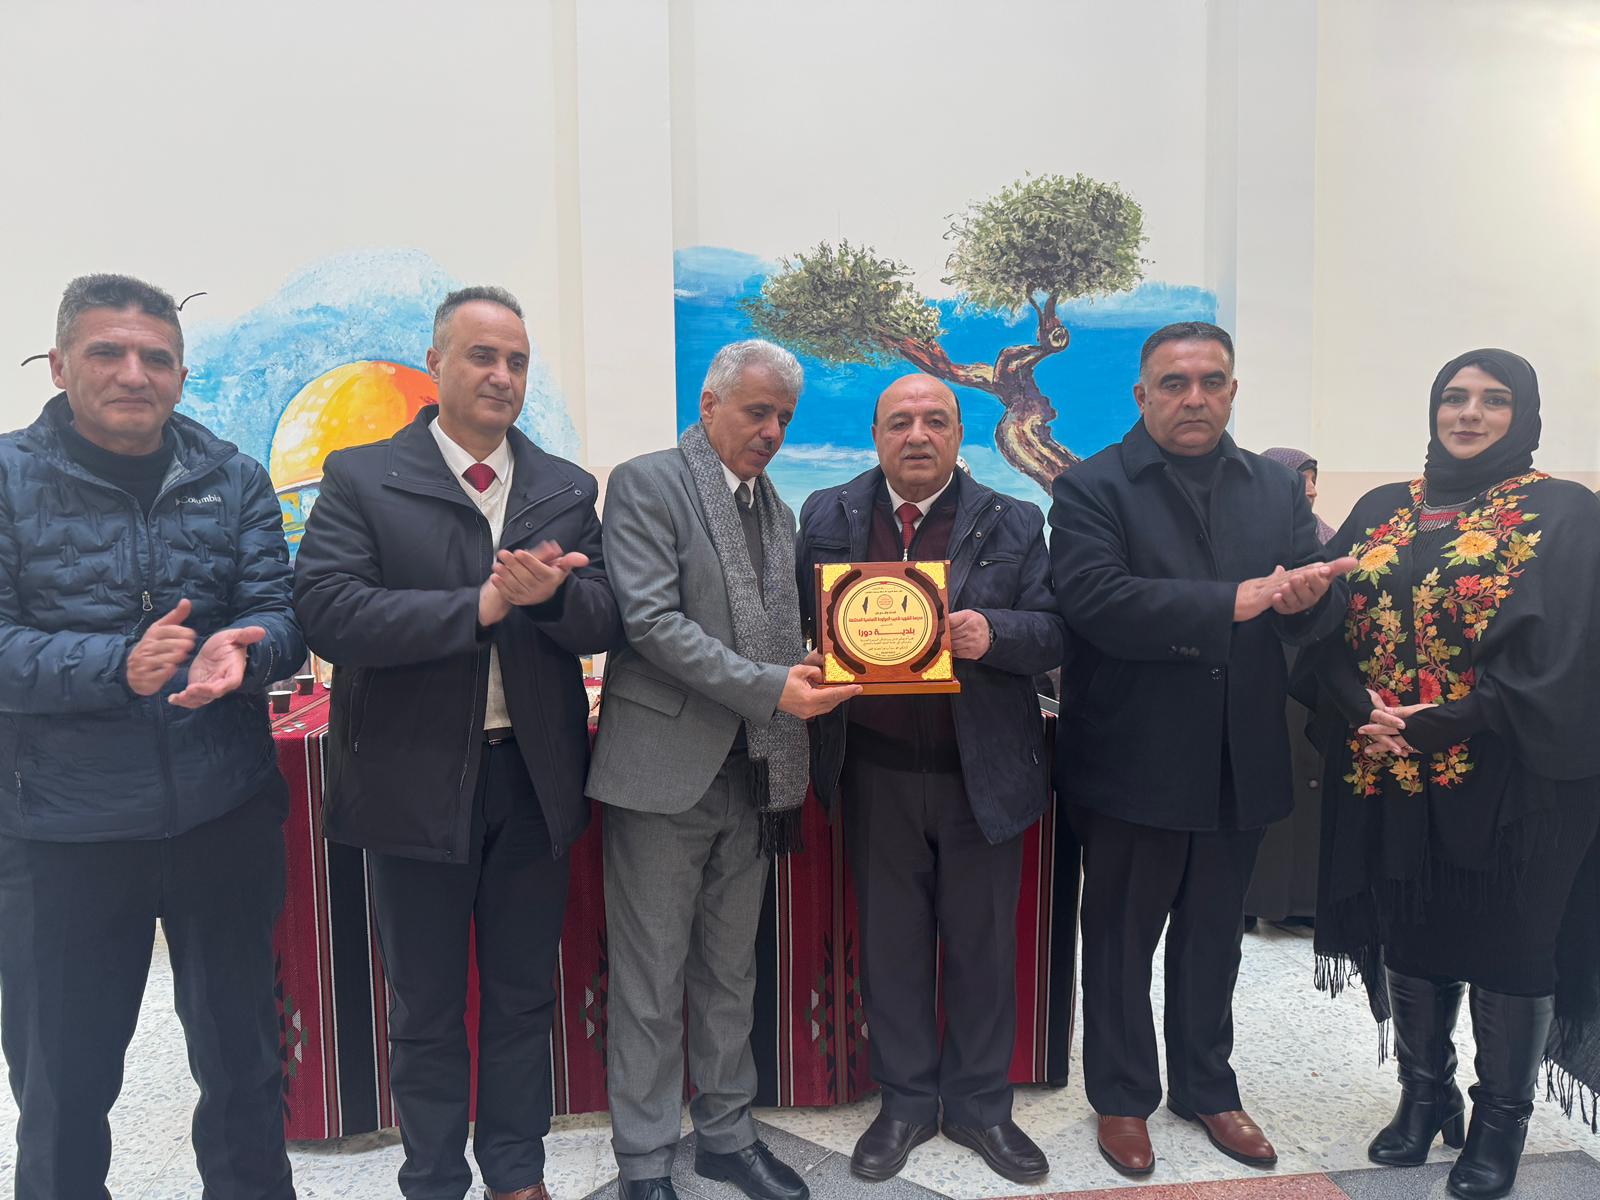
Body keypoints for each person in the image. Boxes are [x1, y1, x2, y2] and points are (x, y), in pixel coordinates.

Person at [295, 286, 620, 1200]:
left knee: (523, 996)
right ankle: (433, 1177)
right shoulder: (363, 478)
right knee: (426, 1004)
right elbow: (329, 612)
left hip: (533, 780)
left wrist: (555, 598)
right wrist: (478, 605)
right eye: (482, 355)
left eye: (517, 361)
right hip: (411, 782)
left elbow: (606, 617)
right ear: (435, 363)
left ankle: (516, 1172)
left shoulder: (565, 488)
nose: (501, 375)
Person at [0, 274, 304, 1199]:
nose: (134, 374)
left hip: (223, 814)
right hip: (64, 833)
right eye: (108, 352)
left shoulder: (232, 477)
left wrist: (249, 651)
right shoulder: (8, 480)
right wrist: (115, 665)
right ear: (60, 366)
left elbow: (281, 612)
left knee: (246, 1068)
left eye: (156, 358)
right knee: (63, 1086)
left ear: (180, 374)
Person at [1048, 322, 1356, 1178]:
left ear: (1232, 391)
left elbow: (1314, 608)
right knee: (1120, 941)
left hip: (1238, 754)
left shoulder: (1273, 485)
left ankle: (1206, 1088)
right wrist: (1235, 602)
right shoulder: (1090, 486)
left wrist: (1307, 600)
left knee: (1215, 939)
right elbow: (1096, 602)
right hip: (1132, 756)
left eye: (1211, 382)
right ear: (1142, 394)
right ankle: (1122, 1097)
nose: (1195, 398)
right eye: (1174, 383)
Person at [1304, 349, 1600, 1200]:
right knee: (1412, 930)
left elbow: (1573, 649)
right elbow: (1326, 624)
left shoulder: (1563, 512)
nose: (1470, 413)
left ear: (1524, 414)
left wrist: (1445, 721)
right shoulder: (1382, 509)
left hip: (1518, 779)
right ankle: (1424, 1096)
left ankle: (1501, 1121)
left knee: (1513, 942)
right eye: (1455, 397)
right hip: (1391, 769)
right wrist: (1359, 705)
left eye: (1494, 400)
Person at [587, 339, 856, 1200]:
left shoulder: (778, 510)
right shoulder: (648, 483)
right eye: (757, 411)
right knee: (650, 979)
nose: (772, 430)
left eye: (785, 417)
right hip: (663, 775)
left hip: (758, 777)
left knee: (730, 973)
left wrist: (822, 663)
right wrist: (774, 688)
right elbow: (651, 623)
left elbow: (774, 635)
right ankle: (643, 1161)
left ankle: (727, 1138)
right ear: (709, 406)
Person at [796, 374, 1064, 1184]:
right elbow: (799, 620)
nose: (918, 435)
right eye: (900, 422)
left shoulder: (1015, 519)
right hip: (873, 774)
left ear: (958, 435)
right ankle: (907, 1102)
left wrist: (996, 634)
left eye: (935, 421)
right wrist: (810, 651)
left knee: (983, 951)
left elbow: (1056, 630)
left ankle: (981, 1106)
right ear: (876, 434)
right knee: (890, 949)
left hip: (982, 776)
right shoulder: (828, 515)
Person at [1243, 447, 1338, 926]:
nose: (1312, 490)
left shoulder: (1328, 540)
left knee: (1309, 785)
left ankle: (1302, 903)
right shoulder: (1249, 534)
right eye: (1302, 479)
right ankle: (1258, 901)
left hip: (1310, 674)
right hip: (1262, 674)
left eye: (1314, 478)